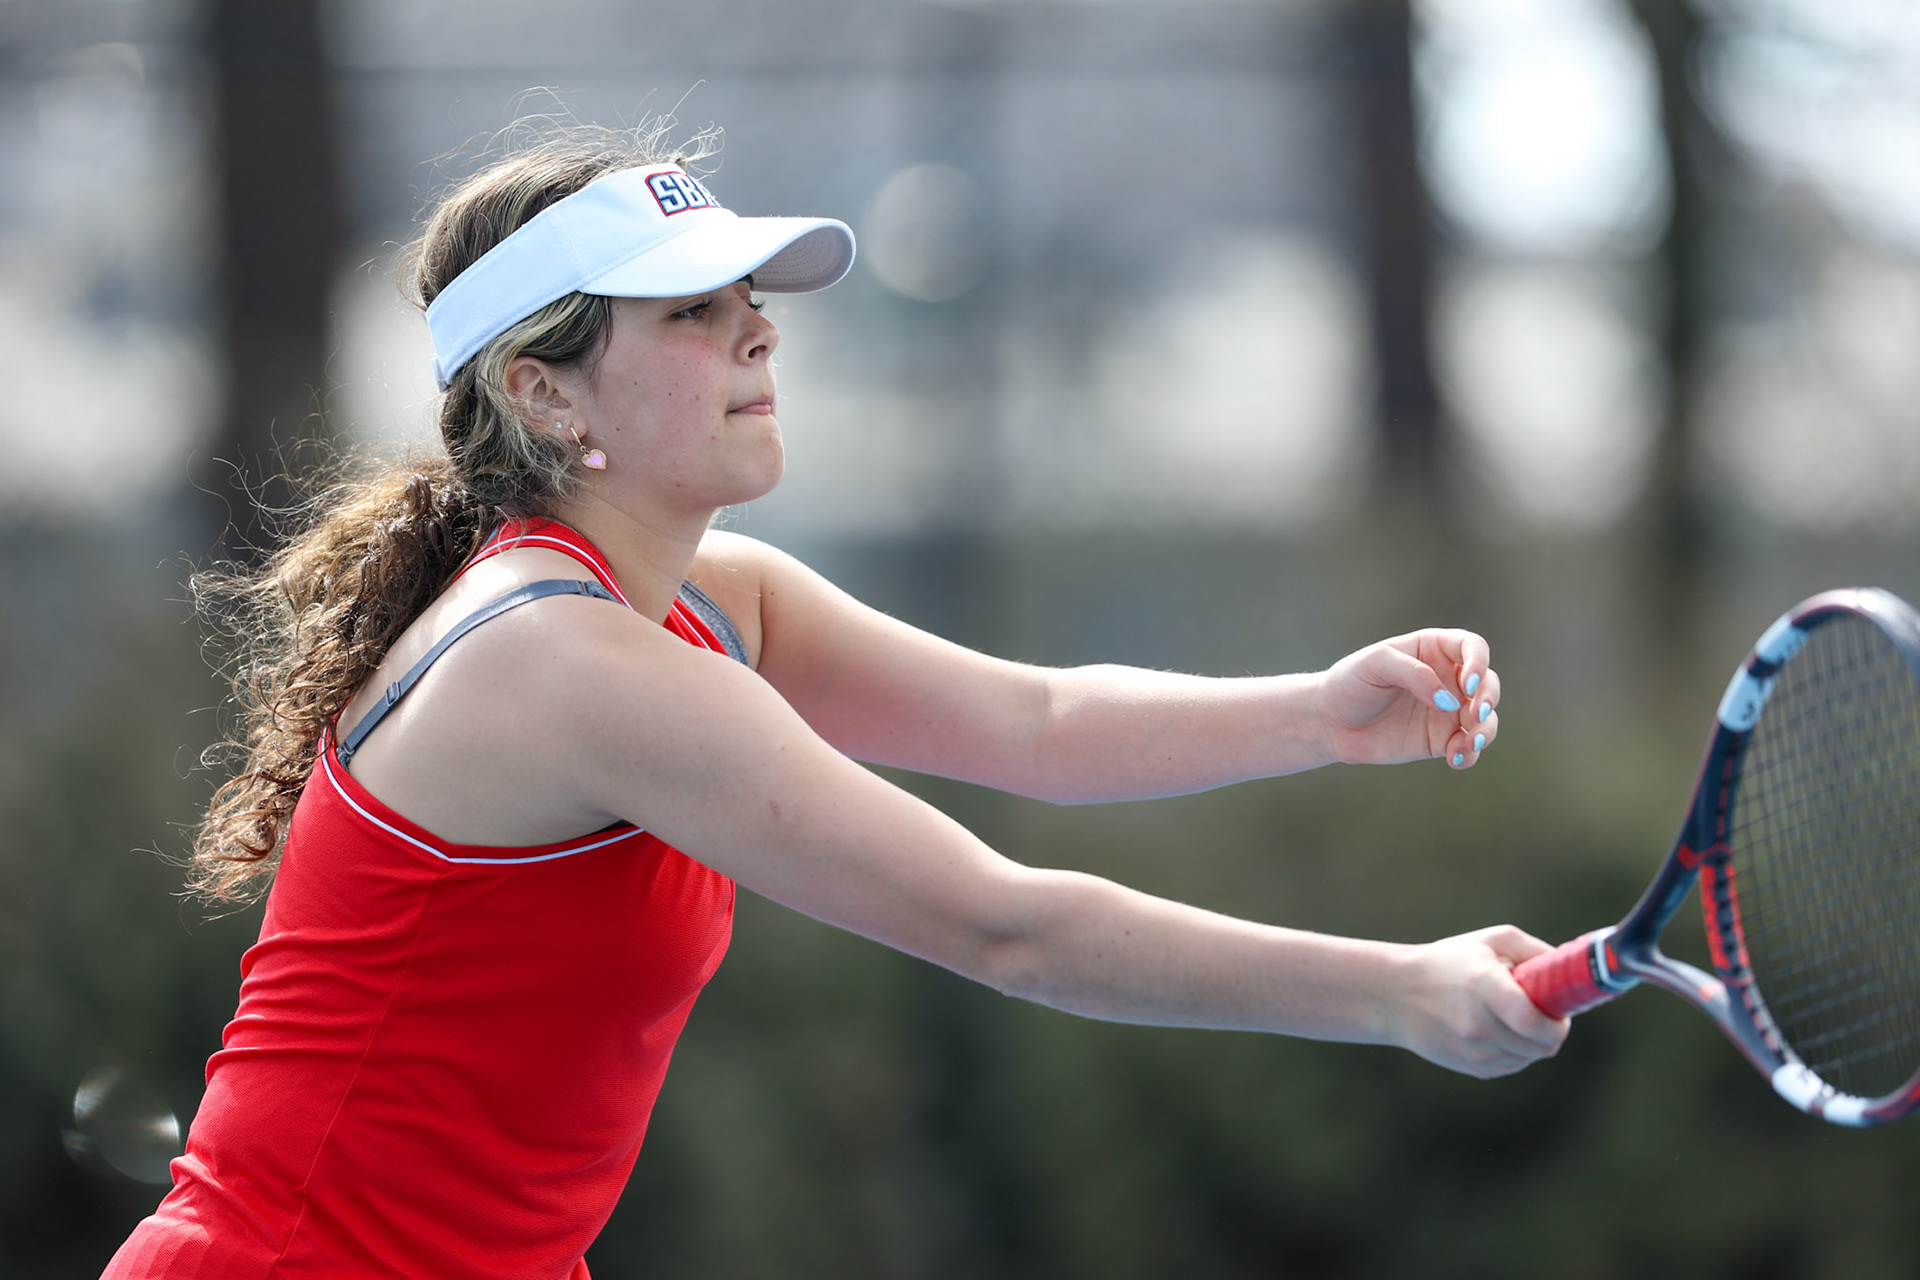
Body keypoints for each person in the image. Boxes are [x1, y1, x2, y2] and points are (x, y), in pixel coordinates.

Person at [103, 127, 1567, 1279]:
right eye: (691, 311)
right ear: (547, 397)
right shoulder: (564, 662)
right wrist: (1400, 991)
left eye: (751, 299)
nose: (759, 332)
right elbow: (1009, 924)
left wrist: (1319, 711)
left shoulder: (711, 601)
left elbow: (1039, 724)